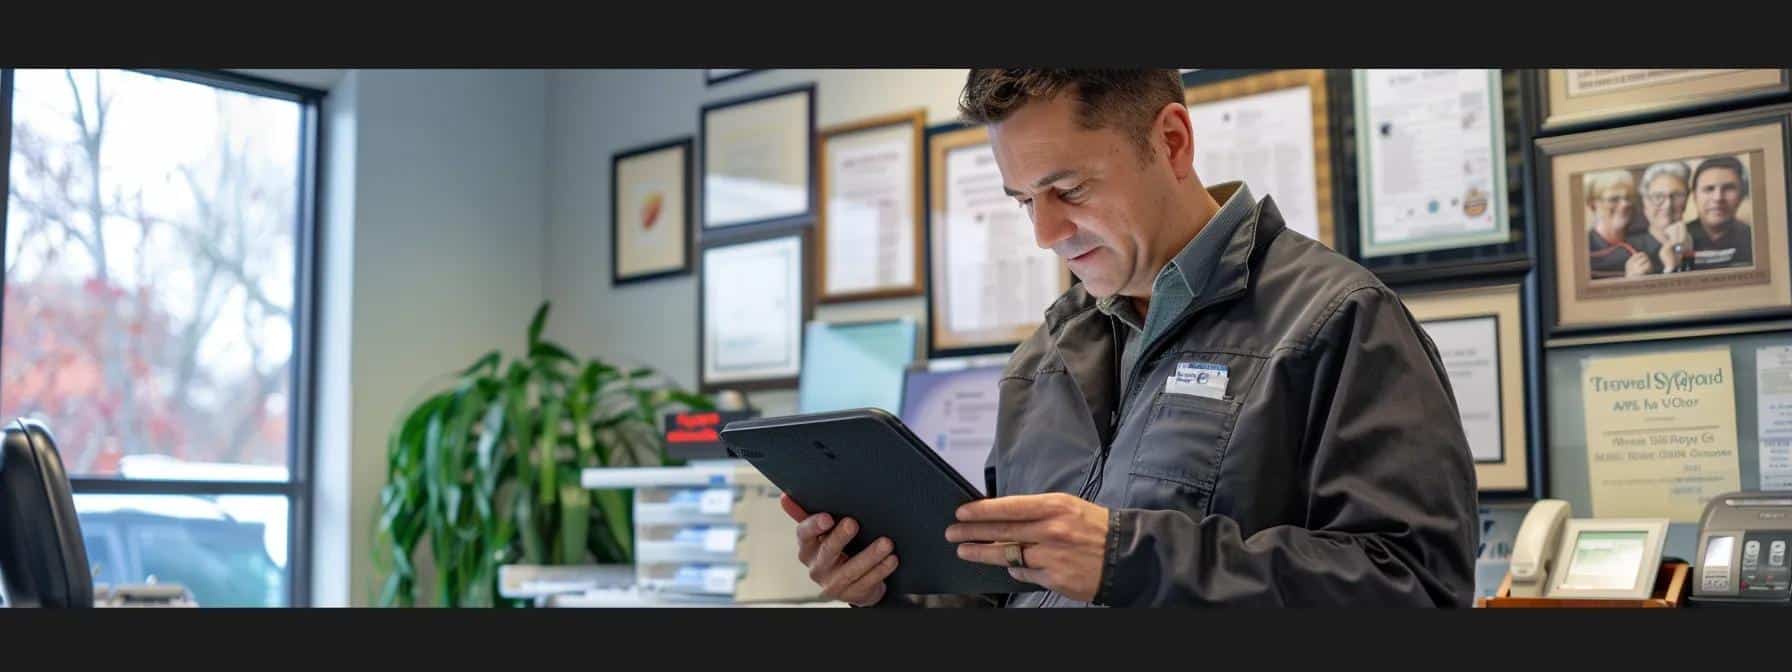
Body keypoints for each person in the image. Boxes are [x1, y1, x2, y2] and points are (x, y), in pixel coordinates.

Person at [780, 69, 1478, 608]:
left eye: (1070, 190)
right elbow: (1012, 589)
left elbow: (1416, 587)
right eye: (1024, 201)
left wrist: (1127, 557)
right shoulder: (1044, 356)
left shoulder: (1339, 319)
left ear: (1171, 141)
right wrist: (889, 589)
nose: (1045, 235)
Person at [1685, 155, 1753, 270]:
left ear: (1742, 194)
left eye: (1728, 188)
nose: (1718, 198)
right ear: (1694, 196)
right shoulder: (1679, 240)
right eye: (1709, 189)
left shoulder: (1754, 239)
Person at [1582, 169, 1651, 280]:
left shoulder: (1644, 241)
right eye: (1614, 199)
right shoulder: (1583, 250)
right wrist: (1629, 280)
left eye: (1628, 198)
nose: (1625, 204)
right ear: (1592, 204)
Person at [1631, 161, 1693, 274]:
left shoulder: (1695, 242)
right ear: (1645, 201)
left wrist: (1679, 253)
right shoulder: (1628, 250)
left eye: (1677, 195)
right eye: (1658, 196)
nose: (1668, 205)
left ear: (1687, 199)